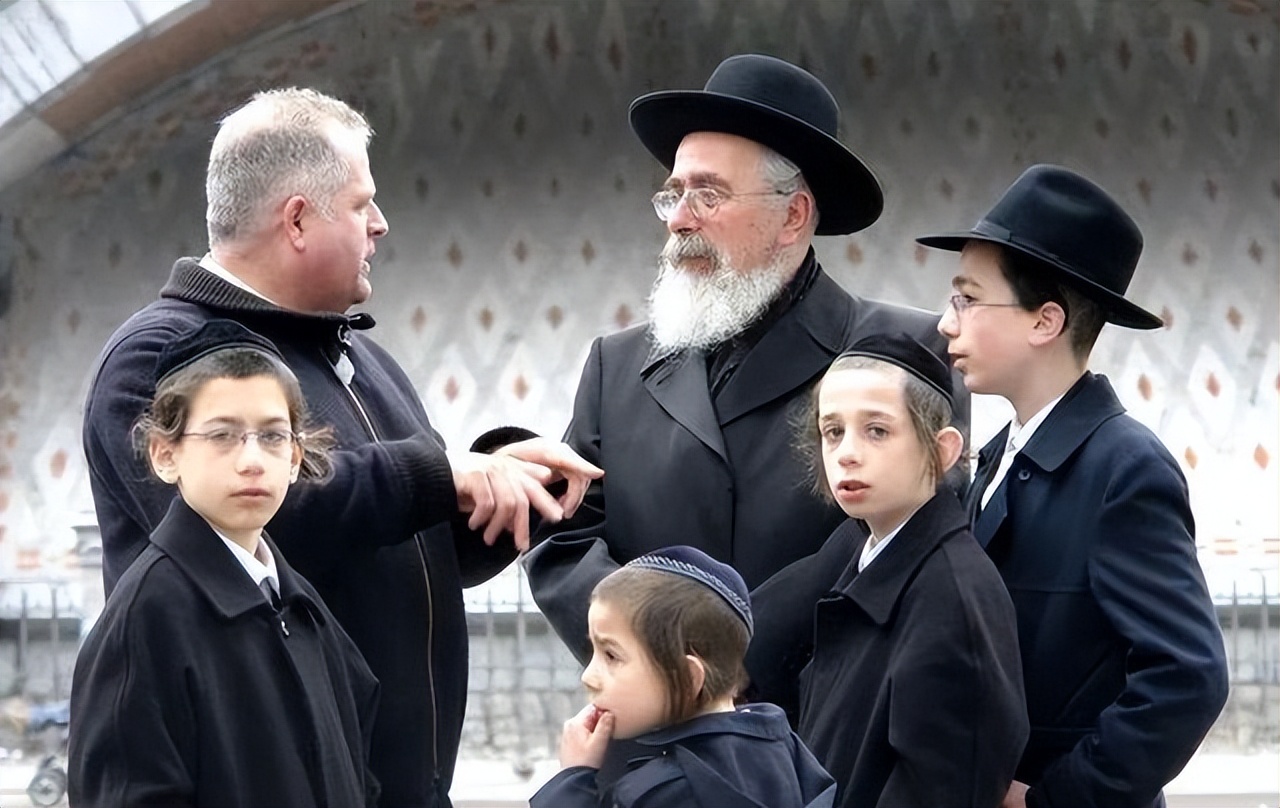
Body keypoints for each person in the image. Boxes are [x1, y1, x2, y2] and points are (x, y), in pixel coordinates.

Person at [80, 87, 601, 808]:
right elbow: (254, 521)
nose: (381, 225)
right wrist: (435, 475)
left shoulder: (355, 354)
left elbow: (389, 543)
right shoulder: (161, 353)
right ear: (297, 218)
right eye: (362, 204)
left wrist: (503, 491)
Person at [524, 53, 964, 667]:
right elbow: (564, 534)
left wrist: (729, 658)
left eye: (707, 195)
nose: (679, 220)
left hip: (822, 733)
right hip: (656, 732)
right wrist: (651, 656)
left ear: (792, 216)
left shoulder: (909, 352)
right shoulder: (614, 366)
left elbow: (907, 535)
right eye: (674, 194)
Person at [918, 164, 1229, 808]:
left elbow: (1187, 677)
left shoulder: (1125, 468)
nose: (948, 323)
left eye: (968, 299)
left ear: (1045, 321)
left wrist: (1056, 797)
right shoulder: (1000, 453)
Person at [70, 320, 380, 808]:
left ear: (296, 459)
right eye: (222, 435)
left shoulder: (301, 608)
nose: (252, 460)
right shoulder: (147, 618)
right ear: (165, 454)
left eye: (273, 437)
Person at [753, 333, 1026, 808]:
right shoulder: (860, 556)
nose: (847, 453)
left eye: (877, 430)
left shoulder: (951, 596)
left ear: (942, 450)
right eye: (832, 431)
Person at [530, 545, 836, 808]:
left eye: (611, 656)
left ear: (689, 678)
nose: (589, 677)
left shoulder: (658, 793)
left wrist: (572, 780)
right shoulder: (784, 749)